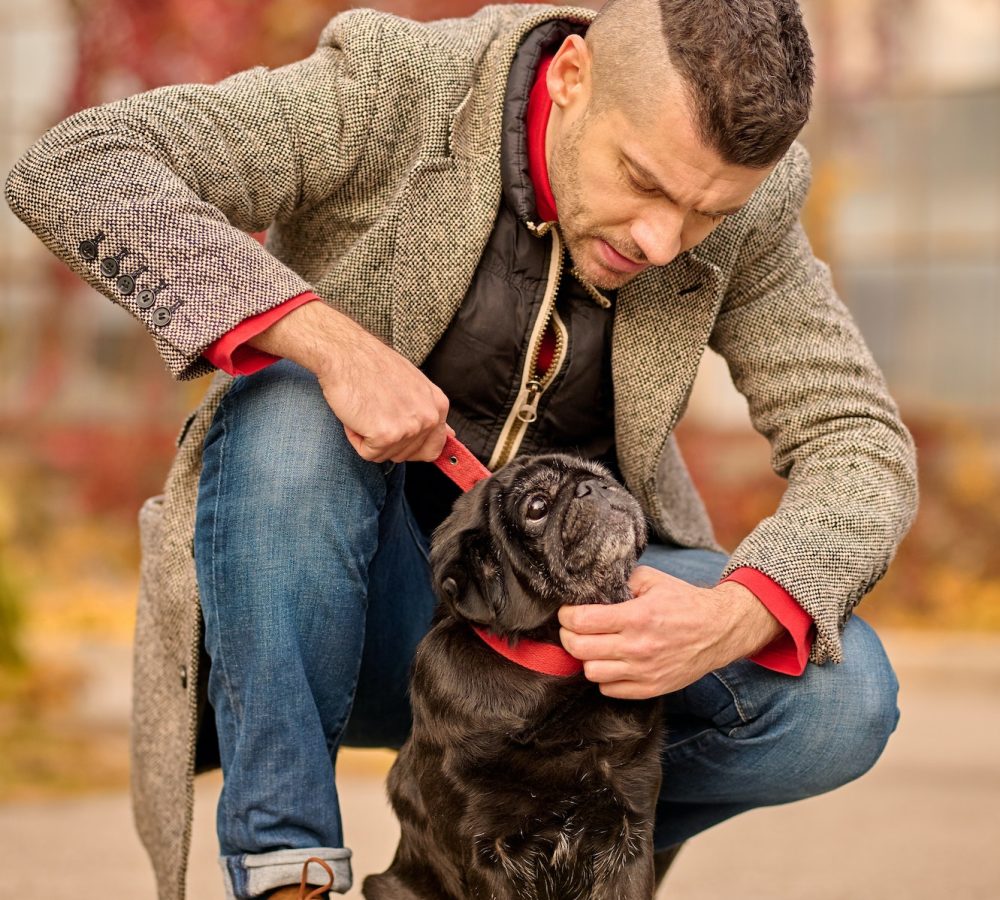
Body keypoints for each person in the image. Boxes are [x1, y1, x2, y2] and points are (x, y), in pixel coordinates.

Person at [5, 0, 917, 897]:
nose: (661, 239)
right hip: (342, 614)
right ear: (570, 78)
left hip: (575, 658)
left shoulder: (746, 210)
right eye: (642, 180)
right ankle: (293, 876)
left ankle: (538, 868)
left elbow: (858, 437)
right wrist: (326, 338)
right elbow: (76, 166)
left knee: (845, 701)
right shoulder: (394, 90)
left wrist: (736, 616)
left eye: (704, 213)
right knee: (289, 407)